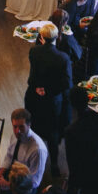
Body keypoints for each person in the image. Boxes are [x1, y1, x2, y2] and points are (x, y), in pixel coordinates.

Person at [24, 22, 72, 171]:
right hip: (53, 100)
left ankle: (31, 160)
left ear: (42, 38)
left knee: (34, 127)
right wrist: (49, 91)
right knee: (53, 131)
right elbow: (66, 83)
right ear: (57, 38)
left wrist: (38, 88)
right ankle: (55, 165)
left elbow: (32, 78)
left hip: (34, 97)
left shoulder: (34, 52)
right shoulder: (63, 58)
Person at [0, 108, 48, 194]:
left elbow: (34, 181)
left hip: (24, 188)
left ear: (29, 125)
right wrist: (0, 174)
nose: (17, 131)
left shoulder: (37, 149)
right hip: (13, 174)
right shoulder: (15, 136)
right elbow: (9, 156)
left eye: (21, 127)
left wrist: (8, 185)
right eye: (14, 127)